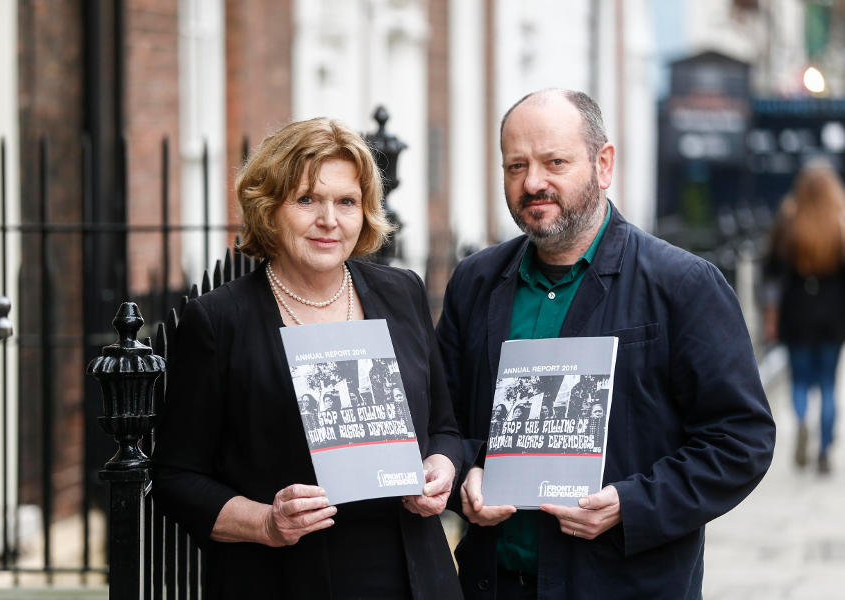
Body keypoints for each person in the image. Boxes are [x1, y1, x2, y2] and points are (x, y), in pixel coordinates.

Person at [436, 89, 775, 599]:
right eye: (515, 166)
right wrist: (466, 473)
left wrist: (633, 503)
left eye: (555, 162)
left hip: (624, 584)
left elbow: (741, 440)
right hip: (495, 583)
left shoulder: (682, 285)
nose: (533, 183)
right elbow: (442, 421)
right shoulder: (473, 282)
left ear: (603, 164)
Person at [152, 117, 463, 599]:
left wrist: (442, 467)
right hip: (280, 577)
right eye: (306, 200)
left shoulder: (402, 292)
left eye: (346, 202)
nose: (329, 220)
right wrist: (265, 522)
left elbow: (444, 425)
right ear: (269, 208)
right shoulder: (218, 321)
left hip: (410, 569)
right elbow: (175, 477)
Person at [764, 160, 845, 474]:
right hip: (833, 317)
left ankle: (800, 423)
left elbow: (770, 275)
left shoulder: (787, 225)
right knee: (827, 384)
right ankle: (824, 451)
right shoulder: (839, 226)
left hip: (796, 314)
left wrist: (771, 316)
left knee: (798, 382)